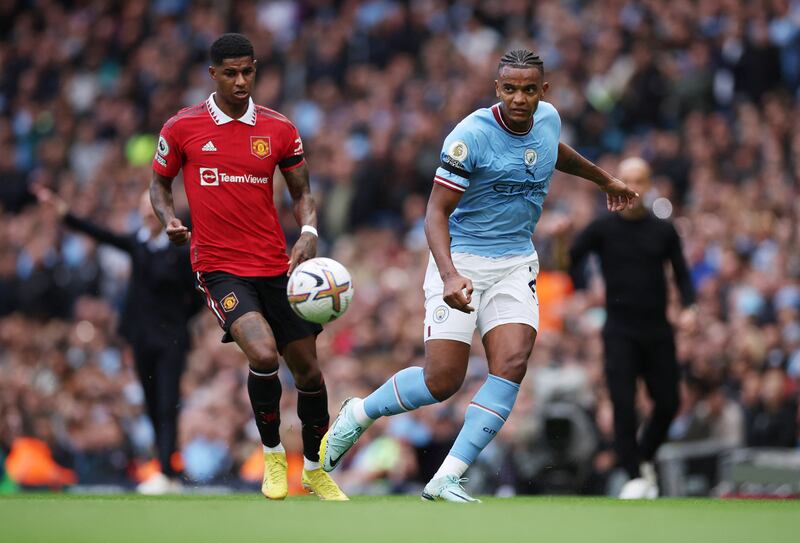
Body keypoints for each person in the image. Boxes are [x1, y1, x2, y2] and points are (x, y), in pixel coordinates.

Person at [320, 49, 638, 502]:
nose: (520, 98)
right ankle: (359, 413)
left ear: (543, 91)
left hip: (514, 263)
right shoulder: (470, 136)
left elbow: (552, 153)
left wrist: (605, 180)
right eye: (510, 89)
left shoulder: (548, 119)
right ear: (497, 89)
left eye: (529, 89)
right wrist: (449, 275)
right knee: (441, 381)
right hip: (462, 260)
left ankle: (449, 474)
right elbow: (435, 211)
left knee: (510, 364)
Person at [149, 33, 346, 501]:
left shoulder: (279, 128)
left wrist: (309, 232)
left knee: (311, 376)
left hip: (275, 266)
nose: (241, 81)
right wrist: (169, 218)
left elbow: (303, 194)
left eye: (248, 71)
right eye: (231, 73)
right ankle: (274, 457)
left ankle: (315, 468)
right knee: (261, 355)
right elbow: (159, 185)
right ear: (213, 74)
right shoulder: (182, 127)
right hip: (218, 266)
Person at [34, 187, 199, 494]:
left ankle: (165, 470)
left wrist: (179, 320)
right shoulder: (138, 244)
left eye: (153, 210)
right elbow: (101, 233)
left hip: (171, 339)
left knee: (166, 403)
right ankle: (170, 467)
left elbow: (197, 293)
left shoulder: (179, 250)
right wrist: (64, 213)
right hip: (141, 339)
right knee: (151, 401)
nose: (148, 215)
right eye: (144, 209)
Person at [568, 157, 696, 499]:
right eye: (625, 179)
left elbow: (682, 274)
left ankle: (643, 457)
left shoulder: (663, 230)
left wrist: (690, 308)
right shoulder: (602, 228)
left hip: (657, 330)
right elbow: (570, 261)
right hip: (620, 331)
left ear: (650, 183)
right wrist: (580, 292)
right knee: (623, 405)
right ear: (614, 183)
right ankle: (634, 475)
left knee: (668, 403)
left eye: (639, 180)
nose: (632, 187)